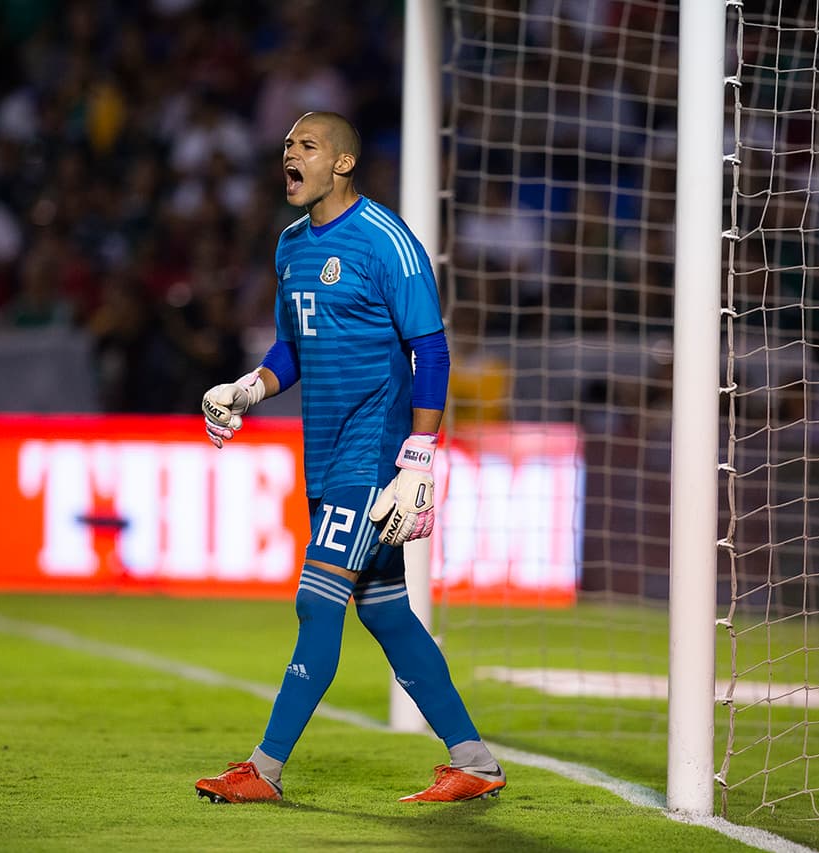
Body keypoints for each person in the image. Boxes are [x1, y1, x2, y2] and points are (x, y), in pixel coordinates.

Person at [193, 112, 505, 804]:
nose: (290, 155)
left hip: (374, 455)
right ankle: (475, 761)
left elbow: (431, 347)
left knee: (318, 599)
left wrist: (419, 455)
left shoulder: (385, 241)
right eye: (285, 146)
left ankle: (264, 769)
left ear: (342, 162)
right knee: (386, 610)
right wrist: (246, 388)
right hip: (325, 452)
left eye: (306, 145)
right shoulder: (290, 245)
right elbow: (291, 349)